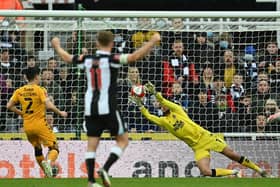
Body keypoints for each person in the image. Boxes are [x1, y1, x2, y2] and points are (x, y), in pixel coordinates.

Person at [51, 31, 160, 187]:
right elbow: (134, 57)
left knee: (91, 145)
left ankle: (90, 181)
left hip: (90, 108)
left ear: (97, 43)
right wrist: (152, 41)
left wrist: (56, 45)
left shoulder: (87, 59)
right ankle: (105, 168)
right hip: (108, 107)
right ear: (112, 44)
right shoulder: (112, 59)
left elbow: (67, 58)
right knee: (122, 140)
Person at [130, 81, 270, 178]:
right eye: (161, 106)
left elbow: (165, 101)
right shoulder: (164, 122)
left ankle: (259, 170)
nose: (163, 106)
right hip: (197, 147)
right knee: (205, 171)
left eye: (164, 105)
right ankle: (233, 172)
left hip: (206, 137)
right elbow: (149, 116)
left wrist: (155, 93)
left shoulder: (178, 111)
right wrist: (141, 105)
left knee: (232, 155)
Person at [6, 66, 67, 177]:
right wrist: (60, 113)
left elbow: (9, 106)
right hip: (40, 124)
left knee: (37, 148)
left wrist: (22, 114)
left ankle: (46, 173)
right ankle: (48, 163)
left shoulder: (19, 91)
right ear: (36, 76)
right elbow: (48, 105)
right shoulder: (40, 90)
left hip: (27, 126)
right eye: (39, 75)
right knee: (55, 148)